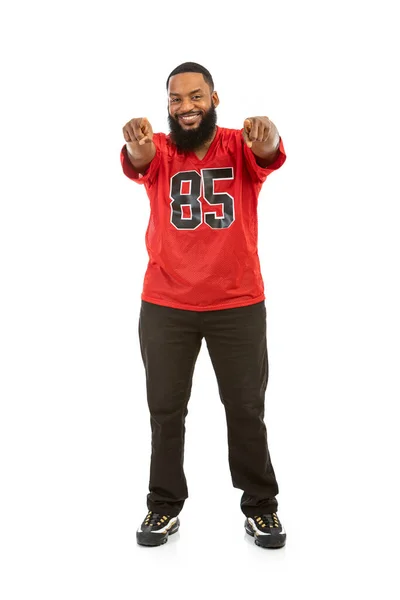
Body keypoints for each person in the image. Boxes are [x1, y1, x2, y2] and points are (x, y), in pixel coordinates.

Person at [120, 62, 287, 549]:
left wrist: (270, 133)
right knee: (165, 410)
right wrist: (135, 141)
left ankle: (261, 507)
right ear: (168, 105)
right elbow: (141, 155)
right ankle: (162, 506)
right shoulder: (160, 145)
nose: (186, 107)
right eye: (176, 99)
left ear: (214, 99)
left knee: (245, 408)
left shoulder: (239, 142)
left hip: (237, 301)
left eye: (196, 97)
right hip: (166, 302)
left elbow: (268, 151)